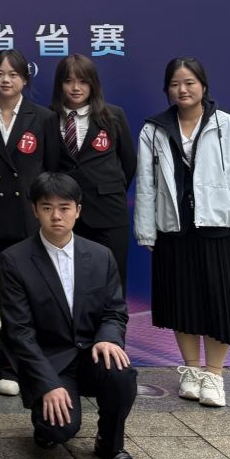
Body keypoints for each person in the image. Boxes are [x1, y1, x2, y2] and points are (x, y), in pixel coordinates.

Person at [134, 57, 230, 408]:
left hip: (217, 229)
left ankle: (214, 375)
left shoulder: (228, 127)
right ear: (167, 89)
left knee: (221, 304)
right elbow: (146, 184)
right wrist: (146, 231)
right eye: (175, 84)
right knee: (182, 303)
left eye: (189, 82)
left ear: (203, 85)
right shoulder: (153, 130)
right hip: (174, 230)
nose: (183, 90)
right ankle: (190, 370)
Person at [0, 172, 139, 459]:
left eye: (64, 207)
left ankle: (110, 444)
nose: (56, 216)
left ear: (78, 210)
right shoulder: (15, 260)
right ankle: (45, 422)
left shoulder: (101, 256)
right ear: (35, 210)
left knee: (121, 372)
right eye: (47, 207)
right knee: (58, 430)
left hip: (91, 354)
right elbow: (19, 332)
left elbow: (115, 311)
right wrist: (47, 384)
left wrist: (108, 338)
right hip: (50, 361)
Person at [0, 48, 60, 397]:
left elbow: (52, 171)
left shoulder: (44, 117)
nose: (6, 80)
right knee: (5, 295)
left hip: (33, 218)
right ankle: (8, 366)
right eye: (0, 73)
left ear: (24, 79)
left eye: (13, 74)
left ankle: (40, 364)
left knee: (38, 294)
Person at [50, 54, 136, 294]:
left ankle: (112, 321)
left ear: (93, 84)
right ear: (60, 85)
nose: (76, 88)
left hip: (109, 212)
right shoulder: (48, 117)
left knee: (112, 282)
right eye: (69, 81)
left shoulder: (113, 115)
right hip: (67, 215)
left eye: (83, 81)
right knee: (72, 283)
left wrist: (108, 190)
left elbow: (129, 163)